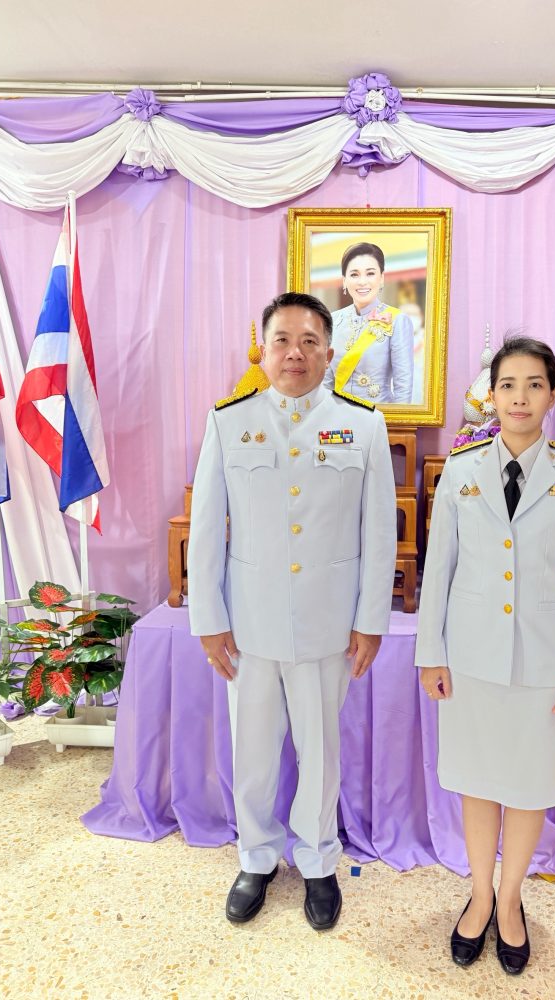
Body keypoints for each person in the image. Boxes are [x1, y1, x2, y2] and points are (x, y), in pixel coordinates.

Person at [188, 292, 397, 931]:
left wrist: (370, 621)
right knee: (252, 751)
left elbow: (378, 533)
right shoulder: (229, 422)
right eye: (282, 340)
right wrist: (208, 618)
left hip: (329, 625)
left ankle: (318, 860)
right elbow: (207, 529)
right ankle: (255, 856)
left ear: (329, 353)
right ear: (264, 349)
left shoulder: (363, 425)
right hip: (249, 627)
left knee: (321, 751)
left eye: (309, 342)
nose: (295, 353)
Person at [415, 336, 555, 974]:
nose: (519, 397)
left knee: (527, 787)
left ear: (553, 395)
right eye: (507, 385)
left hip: (543, 666)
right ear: (491, 395)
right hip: (470, 660)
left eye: (533, 384)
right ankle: (478, 895)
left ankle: (510, 898)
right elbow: (438, 569)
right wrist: (431, 653)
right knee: (477, 783)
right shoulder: (461, 470)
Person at [323, 242, 414, 404]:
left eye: (370, 273)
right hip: (338, 416)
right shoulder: (333, 320)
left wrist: (399, 419)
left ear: (382, 278)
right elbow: (326, 381)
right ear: (344, 281)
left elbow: (403, 387)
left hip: (379, 415)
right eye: (354, 275)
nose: (362, 282)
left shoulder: (397, 320)